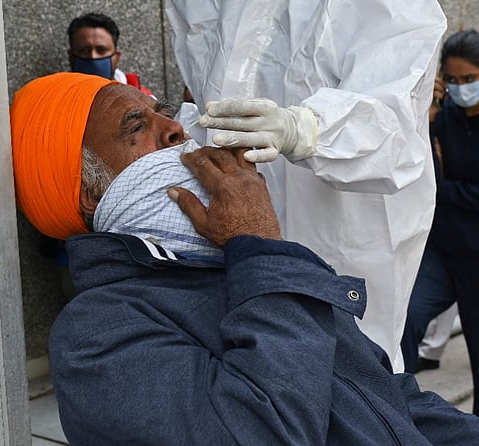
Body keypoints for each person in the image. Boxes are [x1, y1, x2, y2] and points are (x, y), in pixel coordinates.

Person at [9, 72, 479, 446]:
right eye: (135, 128)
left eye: (160, 115)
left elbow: (396, 406)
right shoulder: (96, 335)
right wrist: (259, 246)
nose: (176, 130)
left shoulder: (230, 271)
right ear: (89, 191)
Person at [166, 0, 446, 372]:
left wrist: (307, 129)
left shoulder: (389, 8)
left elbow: (394, 125)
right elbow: (204, 81)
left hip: (339, 230)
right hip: (237, 223)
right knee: (251, 372)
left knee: (345, 378)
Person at [400, 30, 479, 433]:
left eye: (468, 79)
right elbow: (423, 178)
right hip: (442, 251)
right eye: (451, 81)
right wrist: (427, 117)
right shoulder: (445, 117)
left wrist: (445, 190)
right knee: (401, 324)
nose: (460, 88)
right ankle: (394, 424)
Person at [67, 12, 153, 95]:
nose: (93, 57)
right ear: (71, 57)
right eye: (84, 51)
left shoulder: (144, 101)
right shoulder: (56, 97)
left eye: (101, 50)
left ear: (116, 57)